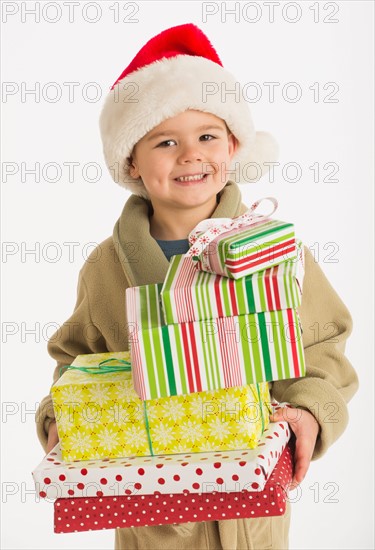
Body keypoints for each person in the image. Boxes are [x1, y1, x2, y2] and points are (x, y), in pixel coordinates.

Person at [35, 23, 358, 550]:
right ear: (132, 161)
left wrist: (309, 409)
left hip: (252, 513)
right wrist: (60, 418)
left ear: (233, 145)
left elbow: (322, 342)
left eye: (207, 136)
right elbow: (76, 360)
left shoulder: (276, 252)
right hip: (149, 512)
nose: (191, 155)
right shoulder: (105, 268)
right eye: (166, 141)